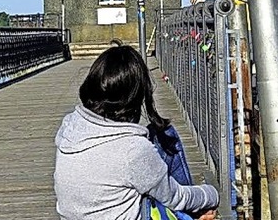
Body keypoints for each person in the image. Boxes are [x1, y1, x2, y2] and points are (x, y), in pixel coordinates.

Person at [54, 45, 219, 220]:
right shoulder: (133, 150)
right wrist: (211, 195)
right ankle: (193, 214)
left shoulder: (69, 127)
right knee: (166, 135)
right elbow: (175, 197)